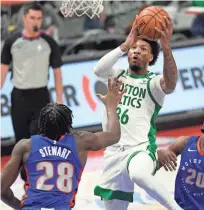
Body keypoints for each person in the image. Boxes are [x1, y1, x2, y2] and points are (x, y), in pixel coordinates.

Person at [93, 16, 181, 210]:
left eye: (143, 50)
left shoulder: (153, 82)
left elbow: (171, 84)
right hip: (113, 153)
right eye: (134, 48)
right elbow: (98, 70)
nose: (136, 52)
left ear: (150, 57)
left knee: (138, 174)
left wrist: (166, 48)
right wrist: (124, 45)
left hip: (140, 149)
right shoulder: (117, 74)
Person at [0, 77, 126, 210]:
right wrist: (111, 106)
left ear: (41, 125)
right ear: (68, 124)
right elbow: (114, 135)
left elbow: (2, 191)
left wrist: (21, 207)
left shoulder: (25, 146)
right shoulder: (81, 142)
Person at [1, 3, 63, 148]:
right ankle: (24, 171)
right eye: (32, 18)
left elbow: (57, 74)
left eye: (39, 18)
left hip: (41, 97)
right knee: (21, 143)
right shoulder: (12, 42)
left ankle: (40, 171)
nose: (36, 22)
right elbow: (2, 73)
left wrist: (59, 103)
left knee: (39, 140)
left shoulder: (50, 43)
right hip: (19, 98)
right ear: (24, 18)